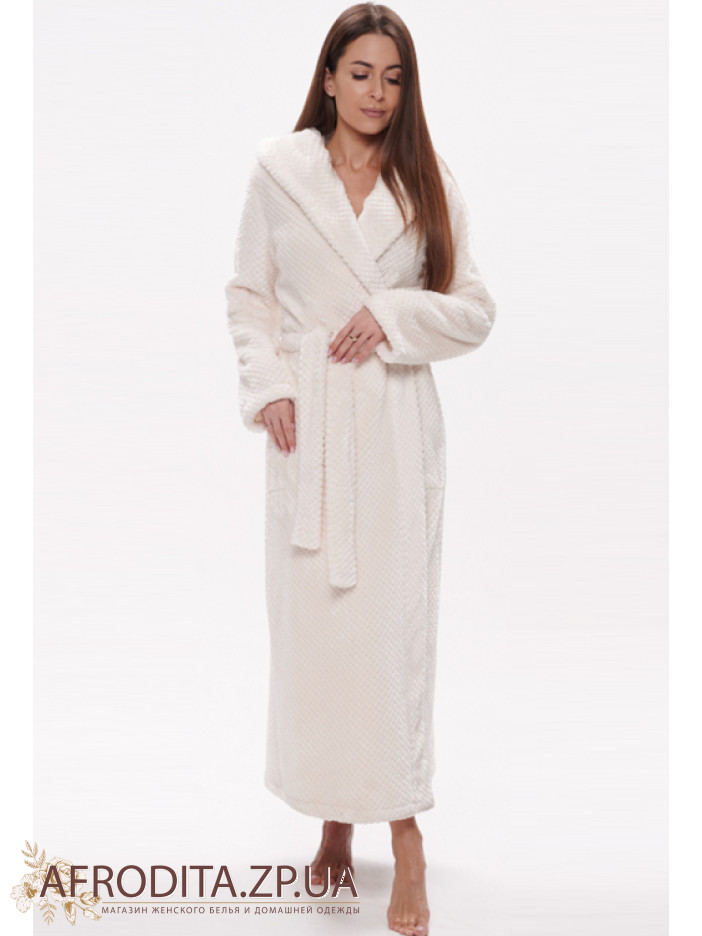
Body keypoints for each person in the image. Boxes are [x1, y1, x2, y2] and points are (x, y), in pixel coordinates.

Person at [224, 5, 497, 934]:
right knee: (318, 642)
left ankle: (406, 837)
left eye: (394, 77)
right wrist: (270, 387)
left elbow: (474, 309)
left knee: (390, 640)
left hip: (393, 434)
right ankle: (334, 822)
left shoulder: (428, 182)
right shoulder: (279, 172)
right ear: (329, 77)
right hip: (310, 438)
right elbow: (249, 294)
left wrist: (393, 313)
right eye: (362, 72)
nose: (378, 92)